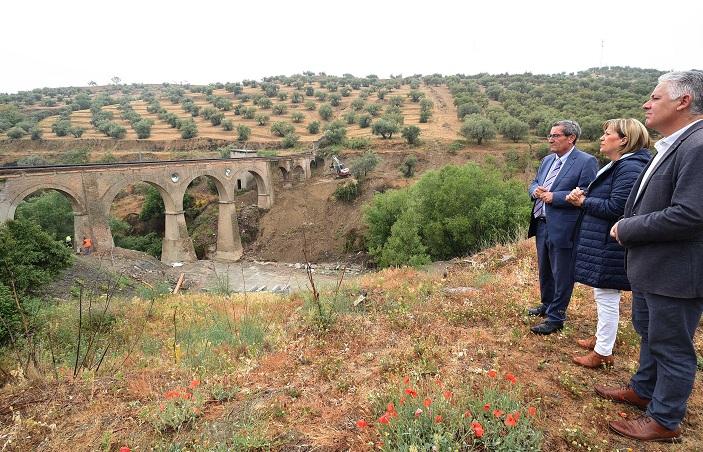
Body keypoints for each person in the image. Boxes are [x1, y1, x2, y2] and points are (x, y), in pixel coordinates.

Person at [598, 70, 703, 442]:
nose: (647, 103)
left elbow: (691, 214)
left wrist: (627, 228)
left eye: (656, 97)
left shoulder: (698, 145)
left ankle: (664, 418)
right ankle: (644, 390)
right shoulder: (676, 143)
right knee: (649, 335)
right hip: (654, 269)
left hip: (676, 273)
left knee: (672, 347)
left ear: (683, 101)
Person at [565, 119, 651, 368]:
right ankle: (601, 339)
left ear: (623, 140)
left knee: (606, 295)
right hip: (603, 241)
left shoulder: (630, 167)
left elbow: (618, 207)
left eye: (607, 133)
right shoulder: (619, 164)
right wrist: (585, 195)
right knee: (603, 292)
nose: (602, 137)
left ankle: (603, 351)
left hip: (610, 243)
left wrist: (583, 203)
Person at [527, 120, 598, 334]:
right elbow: (534, 181)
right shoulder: (548, 160)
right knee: (545, 268)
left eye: (556, 135)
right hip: (542, 223)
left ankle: (556, 316)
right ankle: (547, 304)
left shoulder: (586, 161)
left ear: (571, 138)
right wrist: (535, 190)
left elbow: (586, 191)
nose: (550, 139)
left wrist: (554, 197)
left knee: (562, 272)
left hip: (565, 226)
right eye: (550, 135)